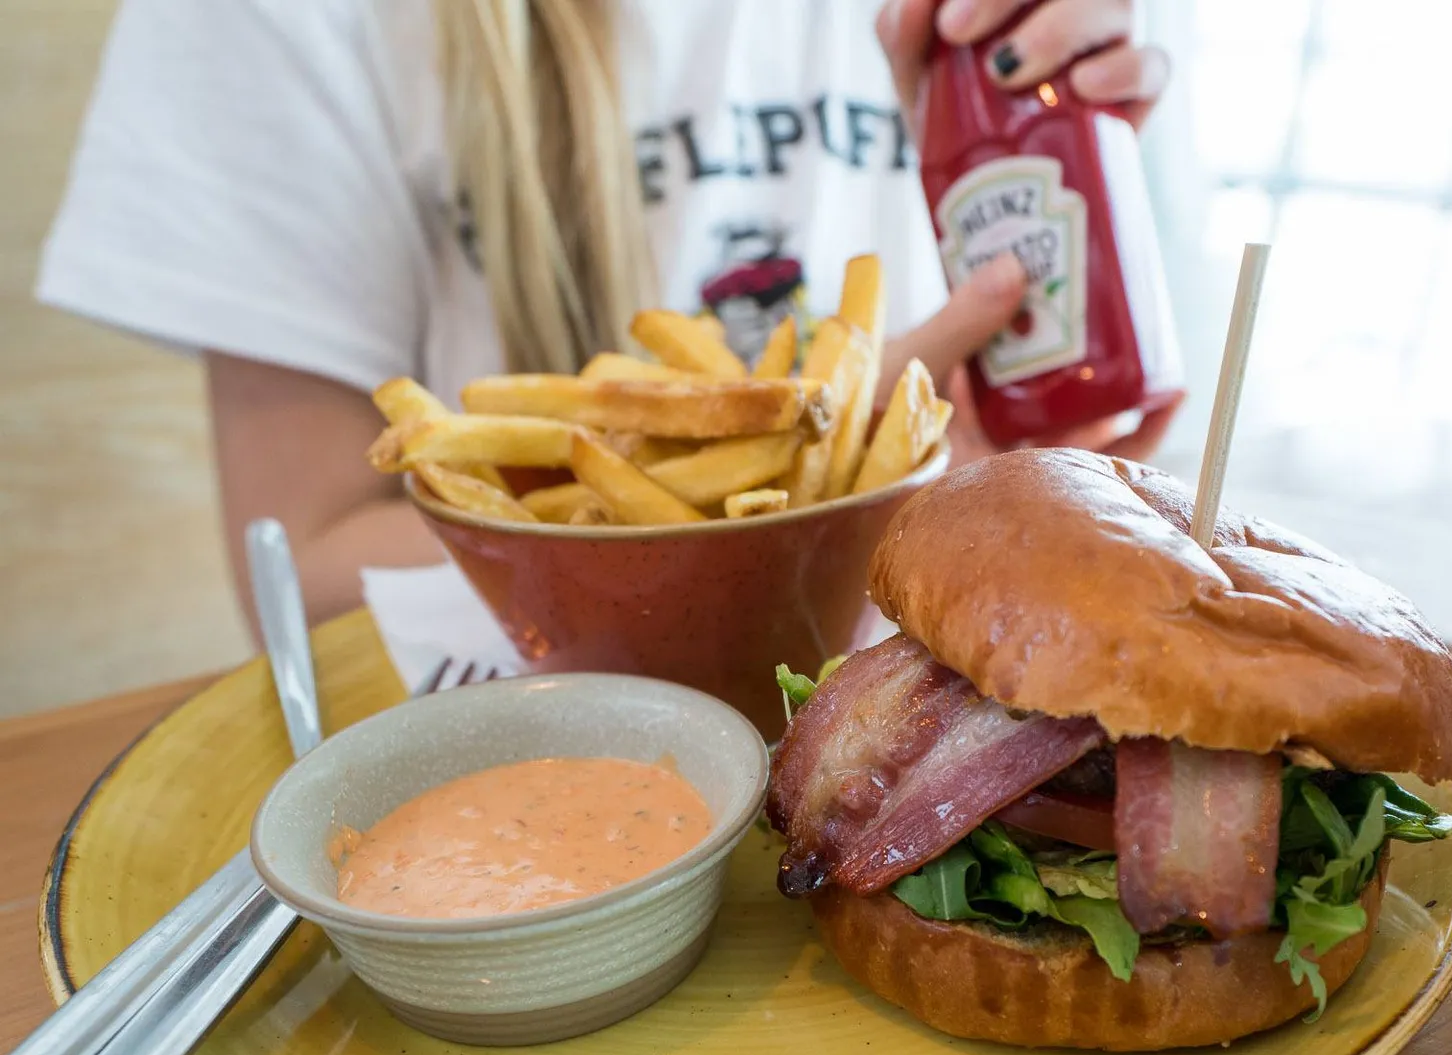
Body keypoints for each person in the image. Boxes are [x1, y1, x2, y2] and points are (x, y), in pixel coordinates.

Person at [39, 0, 1178, 625]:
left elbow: (1064, 437)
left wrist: (981, 451)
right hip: (522, 745)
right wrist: (818, 465)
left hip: (920, 651)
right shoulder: (270, 23)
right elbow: (306, 573)